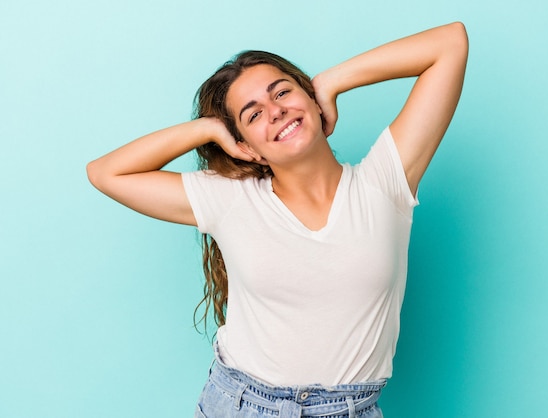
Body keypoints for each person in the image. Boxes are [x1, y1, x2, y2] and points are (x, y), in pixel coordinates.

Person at [87, 21, 468, 418]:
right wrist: (208, 129)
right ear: (244, 146)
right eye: (253, 116)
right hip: (241, 404)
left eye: (283, 92)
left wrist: (331, 81)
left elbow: (450, 43)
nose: (276, 111)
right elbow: (106, 173)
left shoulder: (385, 182)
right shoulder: (229, 198)